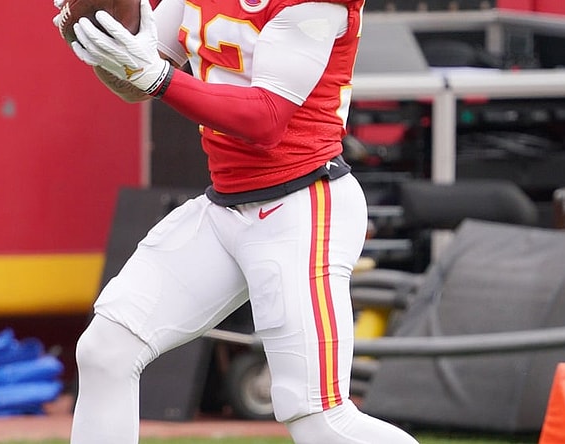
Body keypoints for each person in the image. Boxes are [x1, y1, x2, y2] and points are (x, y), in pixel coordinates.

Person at [53, 0, 420, 442]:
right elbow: (136, 81)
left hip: (301, 206)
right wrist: (103, 44)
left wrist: (155, 76)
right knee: (105, 351)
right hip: (226, 208)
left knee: (320, 420)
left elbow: (265, 117)